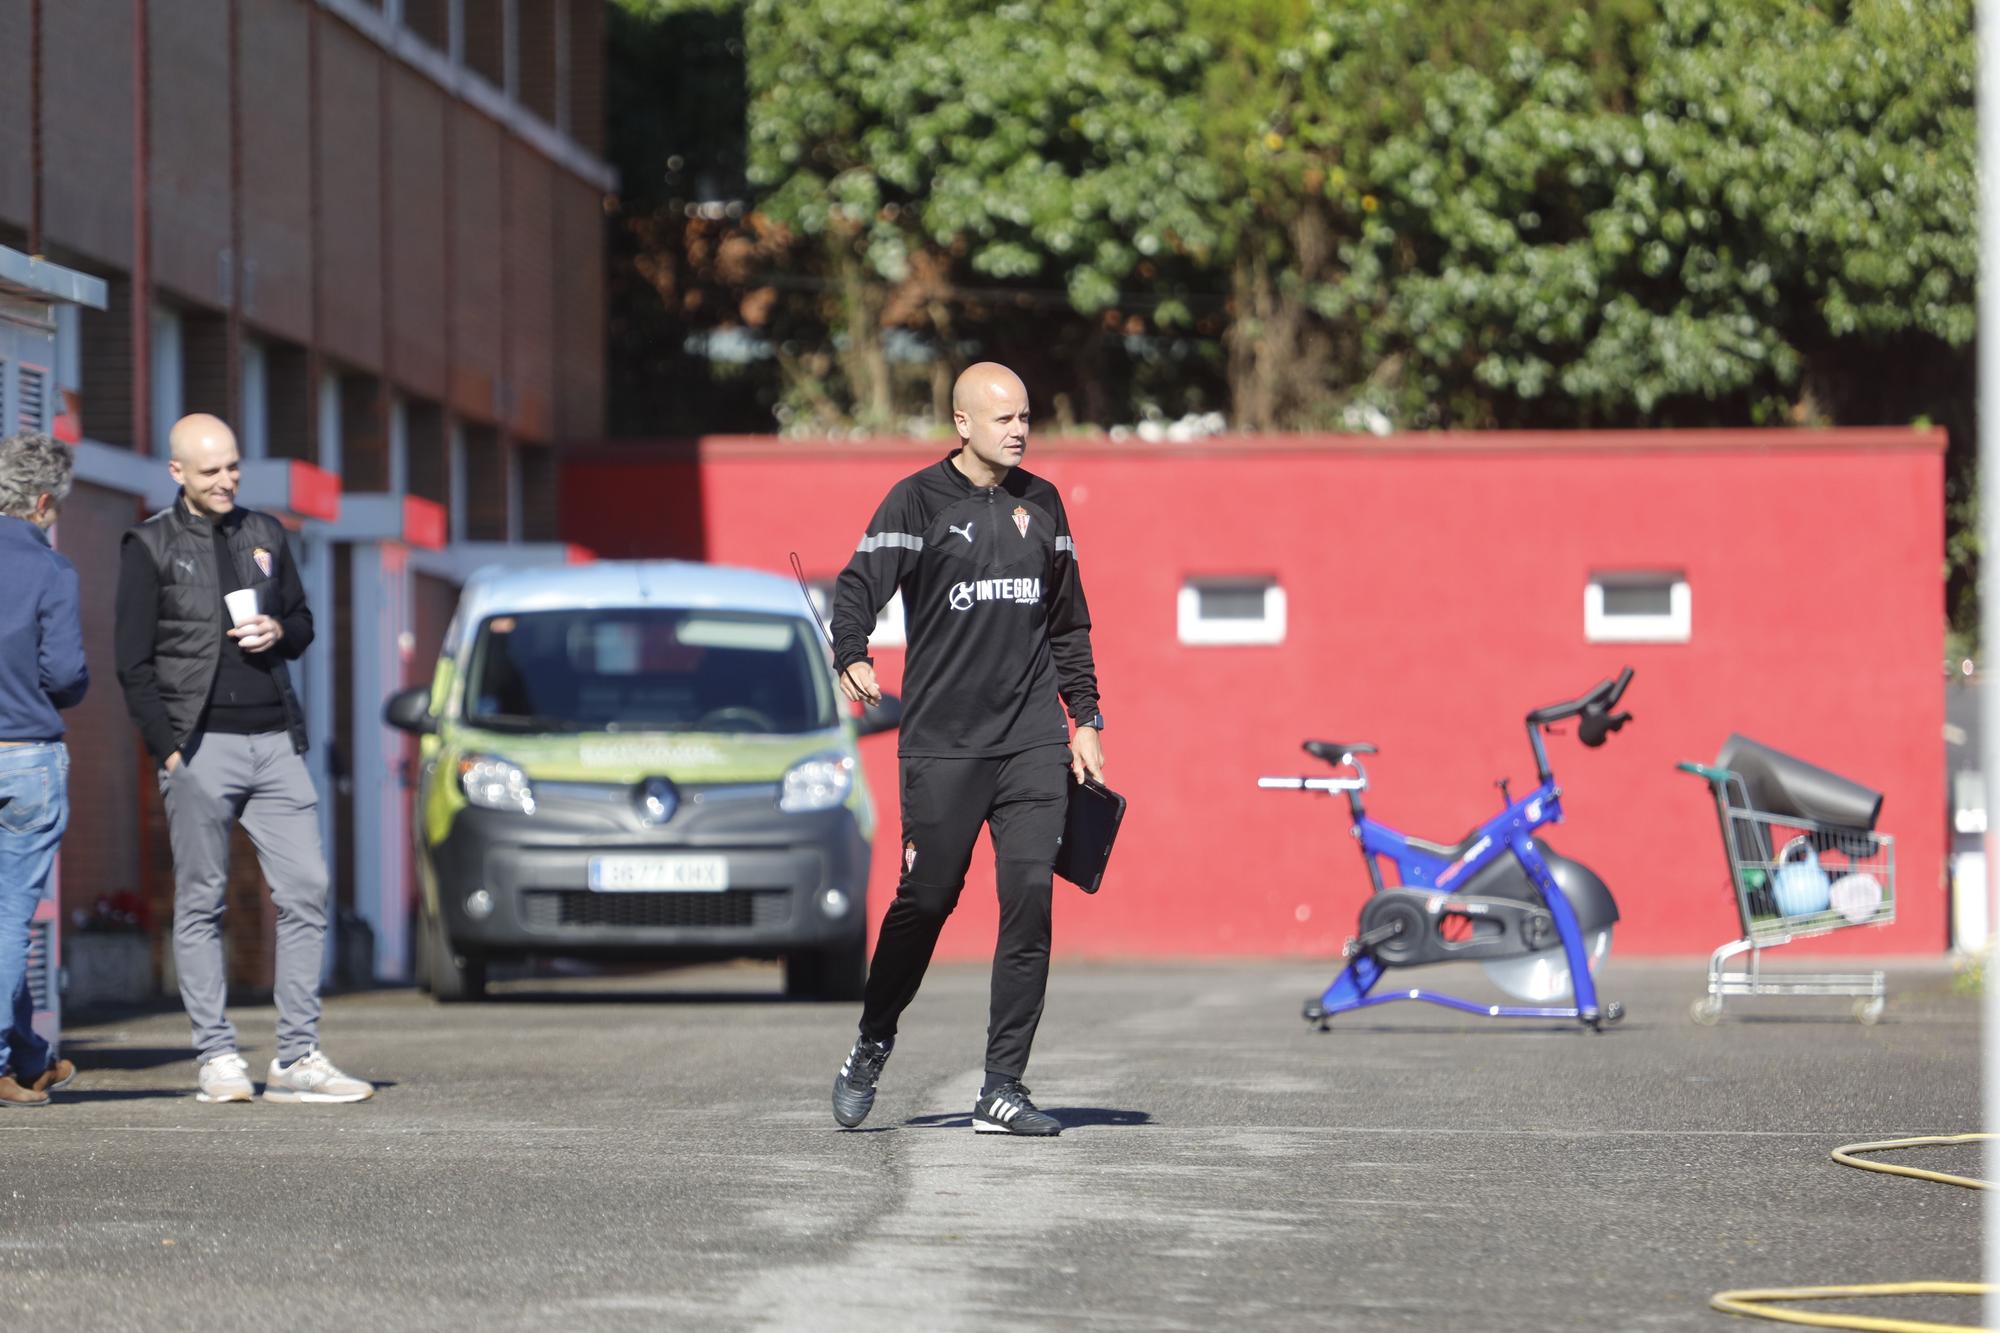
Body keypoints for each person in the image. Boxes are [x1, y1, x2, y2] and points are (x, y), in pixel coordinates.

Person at [827, 362, 1105, 1137]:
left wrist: (1084, 719)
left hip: (1030, 743)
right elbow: (855, 587)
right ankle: (873, 1037)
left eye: (1026, 416)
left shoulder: (1043, 504)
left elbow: (1069, 624)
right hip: (944, 748)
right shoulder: (916, 501)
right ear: (962, 423)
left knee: (1029, 899)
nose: (1020, 429)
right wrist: (851, 651)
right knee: (928, 901)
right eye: (1004, 417)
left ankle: (1003, 1086)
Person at [114, 413, 372, 1104]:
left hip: (275, 741)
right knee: (201, 900)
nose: (226, 480)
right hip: (200, 748)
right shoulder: (149, 545)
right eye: (210, 470)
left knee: (307, 890)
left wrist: (278, 628)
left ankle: (296, 1057)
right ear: (177, 473)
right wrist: (169, 754)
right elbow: (132, 665)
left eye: (233, 466)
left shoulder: (265, 533)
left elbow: (306, 624)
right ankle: (217, 1056)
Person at [0, 433, 88, 1108]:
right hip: (25, 754)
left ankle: (26, 1060)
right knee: (10, 914)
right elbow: (64, 674)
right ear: (41, 500)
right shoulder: (52, 571)